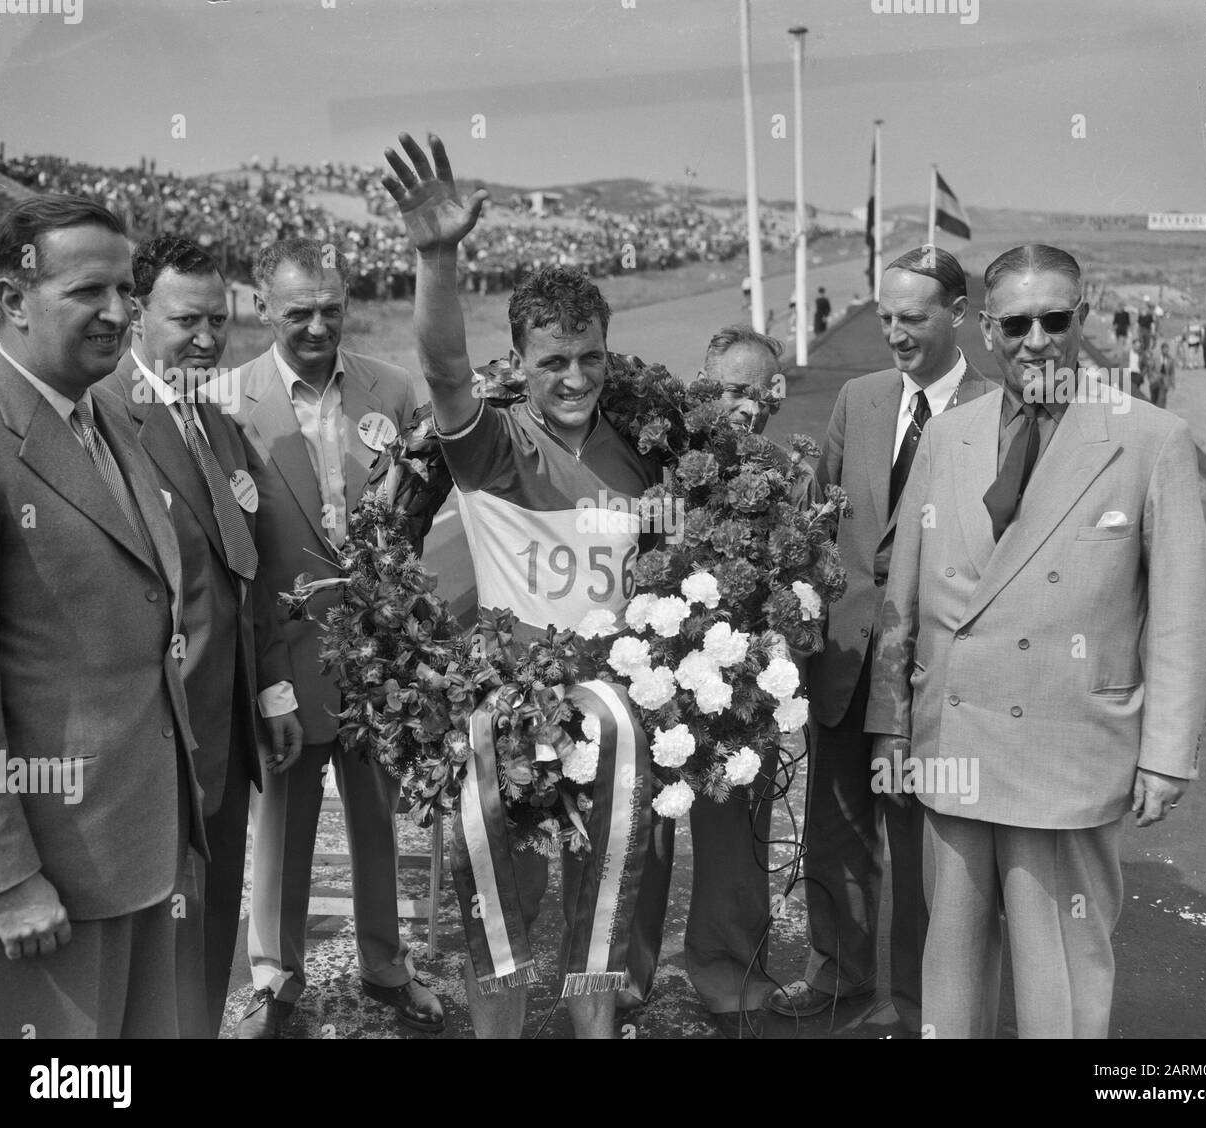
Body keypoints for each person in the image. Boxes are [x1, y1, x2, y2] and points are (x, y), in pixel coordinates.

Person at [865, 244, 1206, 1038]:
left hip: (1067, 748)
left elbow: (1183, 615)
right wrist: (889, 725)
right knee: (949, 966)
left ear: (1082, 320)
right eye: (1017, 322)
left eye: (1055, 319)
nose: (1036, 340)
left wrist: (1165, 754)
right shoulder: (951, 435)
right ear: (986, 329)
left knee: (1058, 971)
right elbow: (903, 599)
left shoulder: (1150, 439)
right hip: (952, 741)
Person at [383, 131, 660, 1040]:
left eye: (589, 357)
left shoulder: (647, 454)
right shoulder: (493, 444)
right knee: (494, 894)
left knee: (607, 888)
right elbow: (444, 368)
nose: (574, 377)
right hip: (509, 709)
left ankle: (594, 1030)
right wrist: (437, 258)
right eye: (552, 362)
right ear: (523, 365)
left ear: (607, 353)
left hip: (614, 712)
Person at [0, 195, 205, 1037]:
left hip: (145, 844)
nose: (118, 313)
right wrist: (3, 875)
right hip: (50, 878)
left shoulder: (106, 410)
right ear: (13, 299)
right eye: (88, 292)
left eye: (126, 290)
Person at [219, 238, 442, 1038]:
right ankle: (276, 980)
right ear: (262, 306)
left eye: (331, 309)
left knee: (379, 817)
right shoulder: (223, 400)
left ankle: (387, 966)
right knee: (281, 819)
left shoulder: (392, 386)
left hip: (378, 653)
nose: (317, 326)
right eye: (297, 311)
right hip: (284, 652)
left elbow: (418, 514)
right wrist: (262, 668)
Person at [768, 246, 992, 1032]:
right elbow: (816, 522)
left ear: (958, 315)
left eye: (913, 319)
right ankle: (839, 980)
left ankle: (926, 1004)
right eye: (886, 317)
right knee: (836, 836)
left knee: (931, 851)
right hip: (844, 660)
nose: (894, 334)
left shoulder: (999, 413)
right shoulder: (860, 399)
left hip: (936, 674)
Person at [97, 234, 305, 1038]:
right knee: (156, 943)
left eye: (220, 320)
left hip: (221, 728)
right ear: (138, 313)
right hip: (153, 740)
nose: (209, 340)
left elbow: (244, 572)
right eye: (188, 321)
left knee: (210, 931)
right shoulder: (105, 414)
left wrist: (271, 687)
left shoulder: (214, 422)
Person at [678, 325, 806, 1038]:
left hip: (745, 690)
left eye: (758, 394)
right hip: (661, 674)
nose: (746, 408)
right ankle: (621, 975)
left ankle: (730, 973)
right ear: (704, 388)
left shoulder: (791, 474)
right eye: (731, 391)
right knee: (642, 831)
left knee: (736, 834)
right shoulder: (664, 467)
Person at [1149, 340, 1176, 408]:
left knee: (1162, 398)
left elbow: (1172, 373)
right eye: (1165, 349)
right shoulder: (1156, 358)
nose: (1166, 351)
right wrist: (1151, 378)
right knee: (1153, 398)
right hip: (1155, 381)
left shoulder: (1170, 360)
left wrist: (1172, 383)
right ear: (1162, 349)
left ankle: (1161, 412)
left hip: (1164, 381)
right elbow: (1150, 369)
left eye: (1167, 349)